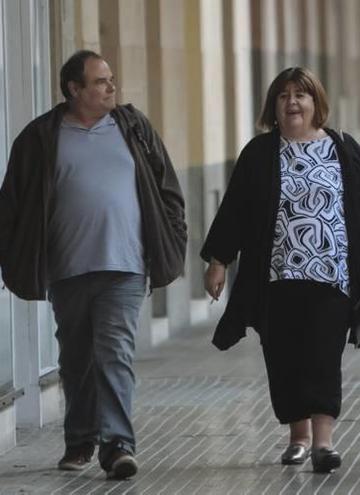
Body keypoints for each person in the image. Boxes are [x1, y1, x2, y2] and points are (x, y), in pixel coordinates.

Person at [0, 50, 187, 480]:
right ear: (74, 89)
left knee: (114, 352)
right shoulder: (40, 137)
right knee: (77, 356)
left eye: (111, 79)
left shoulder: (132, 128)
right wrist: (14, 258)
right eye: (100, 81)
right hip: (67, 268)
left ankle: (118, 443)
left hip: (125, 264)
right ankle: (81, 438)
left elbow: (167, 187)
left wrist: (173, 234)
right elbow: (12, 204)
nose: (111, 87)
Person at [201, 67, 360, 474]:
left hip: (332, 272)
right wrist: (219, 260)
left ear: (315, 102)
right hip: (276, 275)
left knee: (324, 354)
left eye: (301, 95)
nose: (292, 102)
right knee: (284, 355)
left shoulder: (342, 147)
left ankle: (324, 442)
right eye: (284, 95)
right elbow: (234, 210)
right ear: (274, 105)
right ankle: (298, 437)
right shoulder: (260, 152)